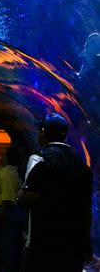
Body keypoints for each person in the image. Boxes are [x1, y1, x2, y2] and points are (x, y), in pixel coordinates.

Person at [18, 112, 93, 272]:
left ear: (43, 132)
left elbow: (28, 196)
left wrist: (20, 196)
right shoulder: (82, 165)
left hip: (42, 243)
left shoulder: (40, 158)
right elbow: (86, 208)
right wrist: (87, 245)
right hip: (74, 246)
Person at [0, 147, 24, 271]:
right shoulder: (13, 172)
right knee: (9, 240)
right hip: (5, 209)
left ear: (8, 158)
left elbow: (7, 197)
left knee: (3, 240)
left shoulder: (7, 172)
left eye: (5, 155)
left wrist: (2, 212)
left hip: (0, 209)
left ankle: (7, 266)